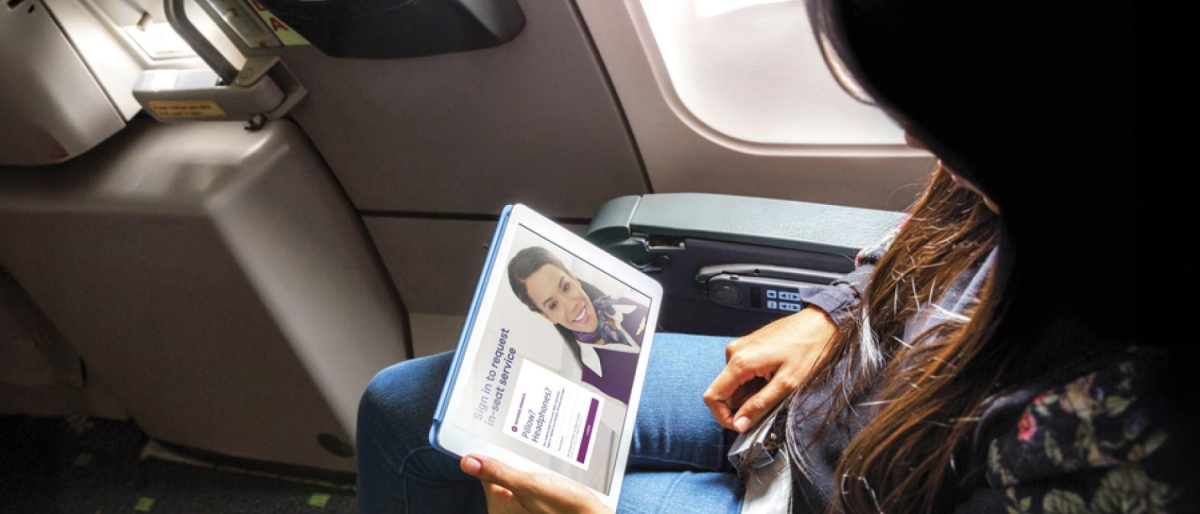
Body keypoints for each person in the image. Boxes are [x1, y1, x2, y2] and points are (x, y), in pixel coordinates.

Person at [356, 0, 1192, 512]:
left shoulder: (1132, 443)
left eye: (936, 118)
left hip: (844, 496)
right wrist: (836, 313)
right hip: (825, 406)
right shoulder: (1070, 162)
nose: (913, 139)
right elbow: (945, 231)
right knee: (406, 408)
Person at [505, 246, 647, 404]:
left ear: (574, 278)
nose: (571, 305)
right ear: (546, 316)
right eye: (553, 305)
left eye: (566, 287)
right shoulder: (594, 386)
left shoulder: (635, 297)